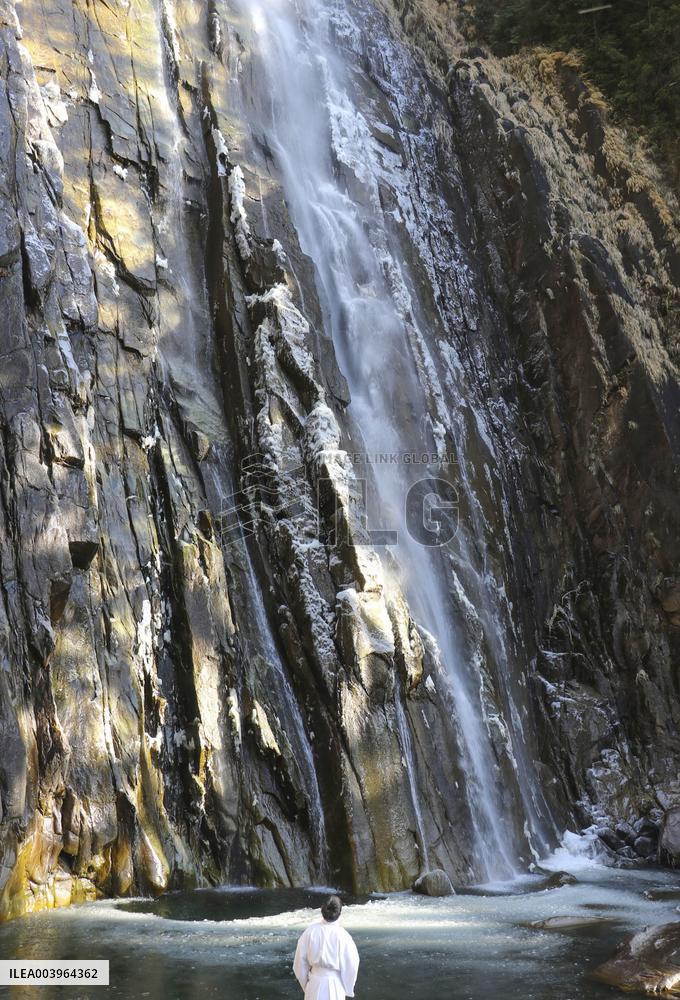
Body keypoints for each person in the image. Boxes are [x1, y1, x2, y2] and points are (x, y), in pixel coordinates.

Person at [293, 895, 360, 999]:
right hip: (335, 985)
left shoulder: (310, 932)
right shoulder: (344, 936)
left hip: (314, 983)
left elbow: (299, 964)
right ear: (340, 913)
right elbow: (351, 965)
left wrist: (307, 986)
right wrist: (348, 989)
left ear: (321, 909)